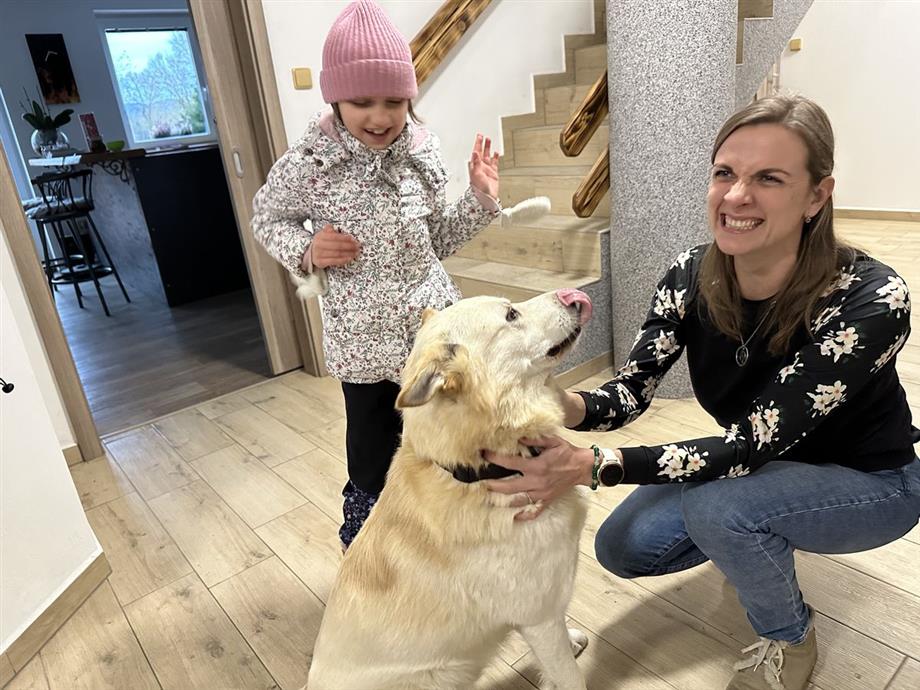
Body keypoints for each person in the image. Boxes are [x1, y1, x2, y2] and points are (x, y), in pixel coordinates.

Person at [484, 95, 920, 690]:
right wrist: (562, 403)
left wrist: (592, 465)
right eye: (724, 173)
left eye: (769, 179)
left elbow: (749, 443)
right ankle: (759, 535)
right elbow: (632, 389)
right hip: (760, 463)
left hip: (871, 480)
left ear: (817, 196)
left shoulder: (871, 297)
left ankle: (790, 637)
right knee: (623, 547)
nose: (736, 196)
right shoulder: (690, 274)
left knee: (721, 509)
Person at [251, 0, 501, 549]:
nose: (381, 117)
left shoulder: (422, 154)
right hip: (361, 345)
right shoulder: (310, 163)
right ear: (334, 99)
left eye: (394, 101)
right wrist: (307, 248)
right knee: (370, 457)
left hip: (432, 339)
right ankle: (371, 549)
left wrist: (479, 201)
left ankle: (457, 541)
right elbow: (265, 218)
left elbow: (437, 242)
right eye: (362, 102)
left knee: (451, 448)